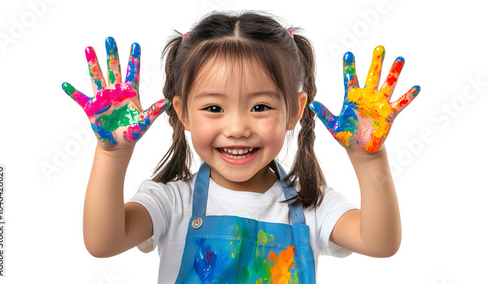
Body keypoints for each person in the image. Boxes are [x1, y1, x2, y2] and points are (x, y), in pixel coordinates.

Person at [62, 11, 421, 284]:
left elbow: (380, 242)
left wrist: (368, 158)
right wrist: (112, 153)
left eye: (260, 107)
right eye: (214, 108)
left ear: (295, 110)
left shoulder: (311, 205)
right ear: (183, 112)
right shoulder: (172, 202)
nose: (236, 128)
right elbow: (102, 242)